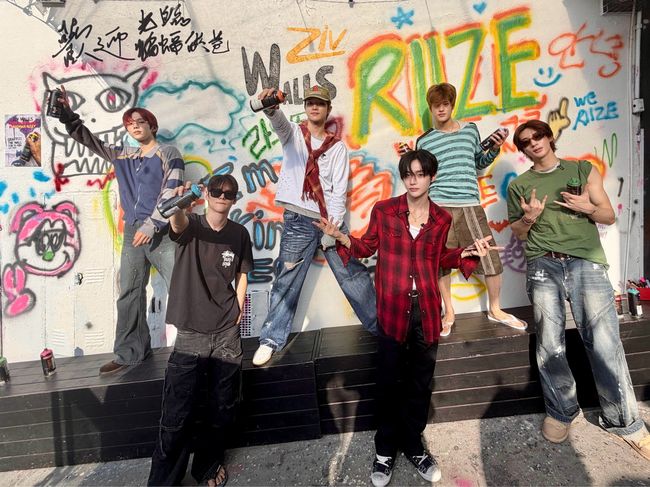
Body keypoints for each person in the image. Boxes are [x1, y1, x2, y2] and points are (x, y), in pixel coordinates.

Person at [316, 150, 498, 486]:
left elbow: (439, 257)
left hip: (426, 312)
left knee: (419, 384)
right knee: (388, 383)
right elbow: (366, 247)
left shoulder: (441, 219)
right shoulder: (385, 211)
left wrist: (465, 253)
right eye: (408, 174)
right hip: (392, 310)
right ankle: (384, 450)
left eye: (420, 174)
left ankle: (414, 445)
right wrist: (341, 237)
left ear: (432, 177)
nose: (413, 180)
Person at [507, 119, 649, 460]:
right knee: (550, 343)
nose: (533, 142)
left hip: (586, 261)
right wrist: (529, 218)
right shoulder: (520, 185)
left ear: (548, 137)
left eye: (538, 135)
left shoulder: (582, 170)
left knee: (604, 341)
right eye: (525, 141)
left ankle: (624, 420)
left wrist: (588, 208)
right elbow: (519, 233)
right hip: (543, 264)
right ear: (523, 149)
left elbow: (608, 216)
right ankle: (561, 411)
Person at [57, 87, 184, 375]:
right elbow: (89, 140)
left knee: (181, 287)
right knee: (129, 292)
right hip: (133, 232)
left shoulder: (168, 153)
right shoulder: (124, 155)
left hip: (162, 232)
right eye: (130, 123)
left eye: (140, 121)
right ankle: (130, 353)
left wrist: (153, 224)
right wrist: (67, 115)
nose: (135, 126)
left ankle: (194, 348)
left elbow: (172, 191)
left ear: (152, 126)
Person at [251, 85, 377, 366]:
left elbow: (338, 190)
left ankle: (381, 327)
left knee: (352, 274)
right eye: (310, 102)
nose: (314, 107)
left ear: (328, 109)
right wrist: (269, 106)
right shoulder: (293, 134)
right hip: (298, 219)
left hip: (328, 221)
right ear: (305, 107)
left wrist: (334, 229)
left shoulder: (337, 147)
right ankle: (270, 340)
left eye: (320, 103)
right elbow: (277, 120)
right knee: (287, 278)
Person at [148, 174, 253, 486]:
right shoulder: (191, 224)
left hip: (226, 334)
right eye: (217, 191)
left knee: (223, 408)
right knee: (176, 413)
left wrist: (238, 308)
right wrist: (181, 205)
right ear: (207, 194)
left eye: (229, 193)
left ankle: (207, 466)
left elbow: (243, 273)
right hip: (191, 332)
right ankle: (164, 481)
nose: (222, 196)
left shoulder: (239, 233)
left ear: (234, 199)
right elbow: (177, 223)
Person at [415, 82, 526, 336]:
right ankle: (449, 312)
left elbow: (479, 162)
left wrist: (495, 147)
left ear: (452, 105)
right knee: (440, 261)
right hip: (438, 207)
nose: (441, 109)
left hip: (469, 204)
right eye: (436, 105)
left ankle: (495, 309)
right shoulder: (424, 140)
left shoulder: (469, 131)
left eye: (445, 104)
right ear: (431, 108)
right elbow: (423, 176)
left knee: (489, 256)